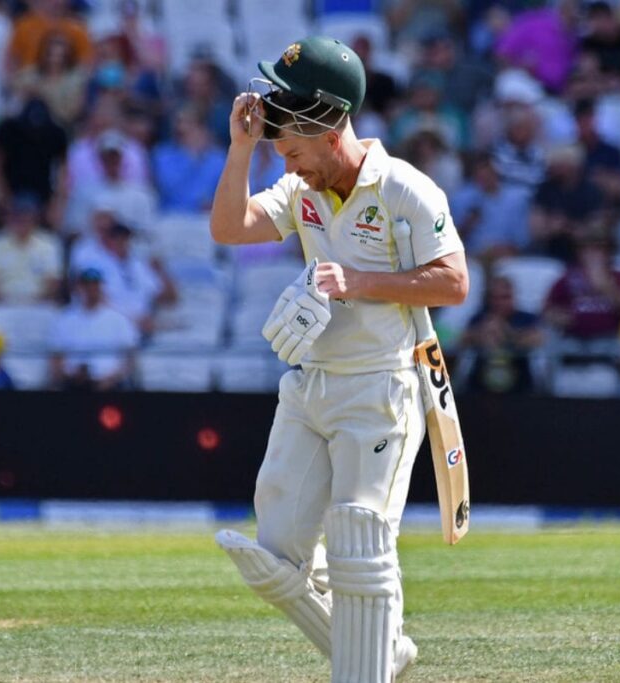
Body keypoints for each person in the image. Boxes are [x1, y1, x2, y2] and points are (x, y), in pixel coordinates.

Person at [208, 37, 468, 683]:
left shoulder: (405, 188)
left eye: (294, 153)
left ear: (329, 131)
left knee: (360, 539)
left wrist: (358, 281)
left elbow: (453, 282)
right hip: (310, 385)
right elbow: (230, 228)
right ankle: (383, 649)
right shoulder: (302, 187)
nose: (291, 167)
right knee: (275, 557)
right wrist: (242, 150)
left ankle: (366, 662)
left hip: (381, 389)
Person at [48, 268, 139, 391]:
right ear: (79, 287)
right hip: (73, 384)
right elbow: (56, 358)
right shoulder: (64, 319)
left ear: (101, 287)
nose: (91, 289)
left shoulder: (118, 319)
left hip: (110, 385)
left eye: (95, 285)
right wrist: (68, 376)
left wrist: (111, 379)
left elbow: (130, 358)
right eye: (87, 285)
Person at [543, 228, 620, 345]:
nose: (593, 254)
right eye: (587, 249)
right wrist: (558, 316)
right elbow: (548, 309)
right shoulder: (568, 277)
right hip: (573, 338)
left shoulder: (619, 277)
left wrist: (607, 287)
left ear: (609, 252)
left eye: (599, 249)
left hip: (610, 338)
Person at [458, 275, 544, 394]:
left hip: (520, 385)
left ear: (513, 297)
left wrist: (507, 332)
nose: (499, 302)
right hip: (481, 385)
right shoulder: (479, 318)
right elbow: (462, 340)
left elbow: (537, 339)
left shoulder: (526, 318)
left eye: (504, 297)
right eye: (495, 298)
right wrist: (482, 333)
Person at [0, 193, 63, 304]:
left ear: (35, 218)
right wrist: (8, 301)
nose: (22, 220)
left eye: (26, 216)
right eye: (17, 216)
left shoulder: (48, 244)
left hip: (39, 303)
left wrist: (33, 301)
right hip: (4, 303)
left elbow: (53, 282)